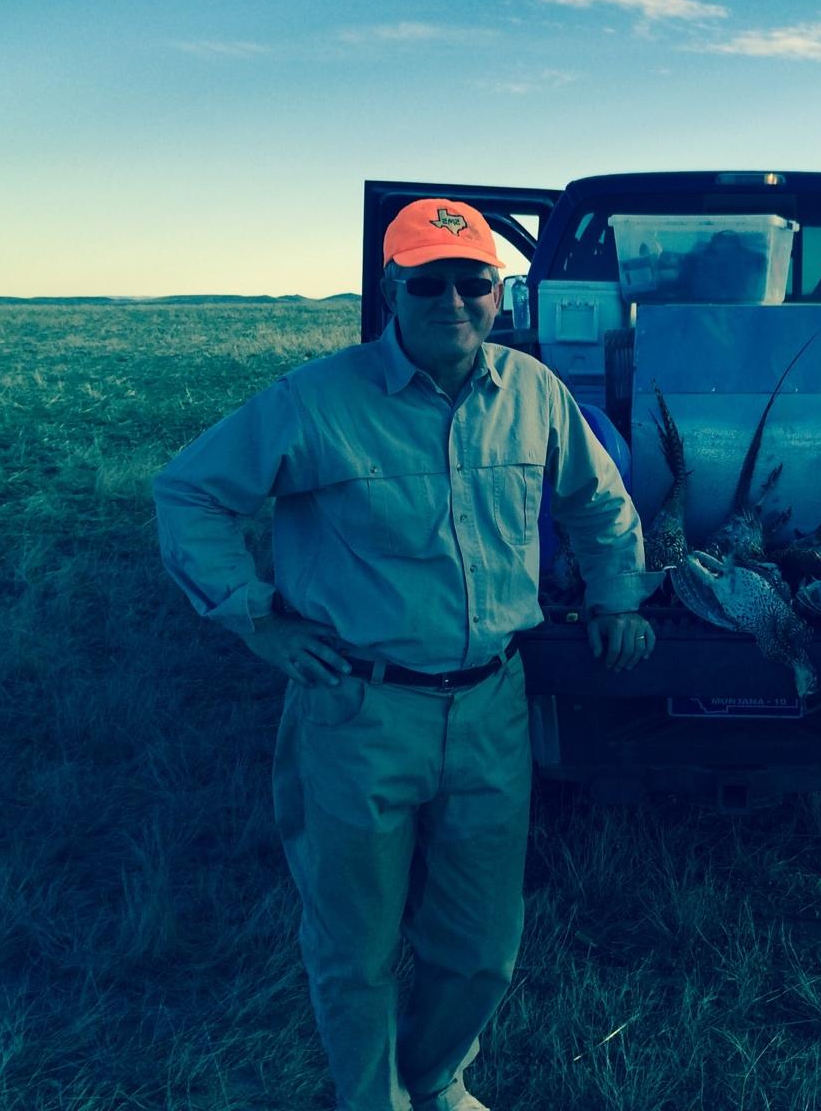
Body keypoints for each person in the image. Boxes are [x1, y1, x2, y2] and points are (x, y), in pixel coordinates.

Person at [154, 198, 659, 1111]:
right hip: (359, 709)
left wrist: (617, 592)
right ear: (392, 288)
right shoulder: (314, 400)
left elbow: (597, 501)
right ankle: (371, 1099)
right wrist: (256, 617)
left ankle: (437, 1082)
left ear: (500, 292)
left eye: (473, 281)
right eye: (429, 282)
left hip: (492, 707)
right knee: (356, 945)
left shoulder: (535, 392)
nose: (453, 300)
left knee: (480, 946)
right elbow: (190, 494)